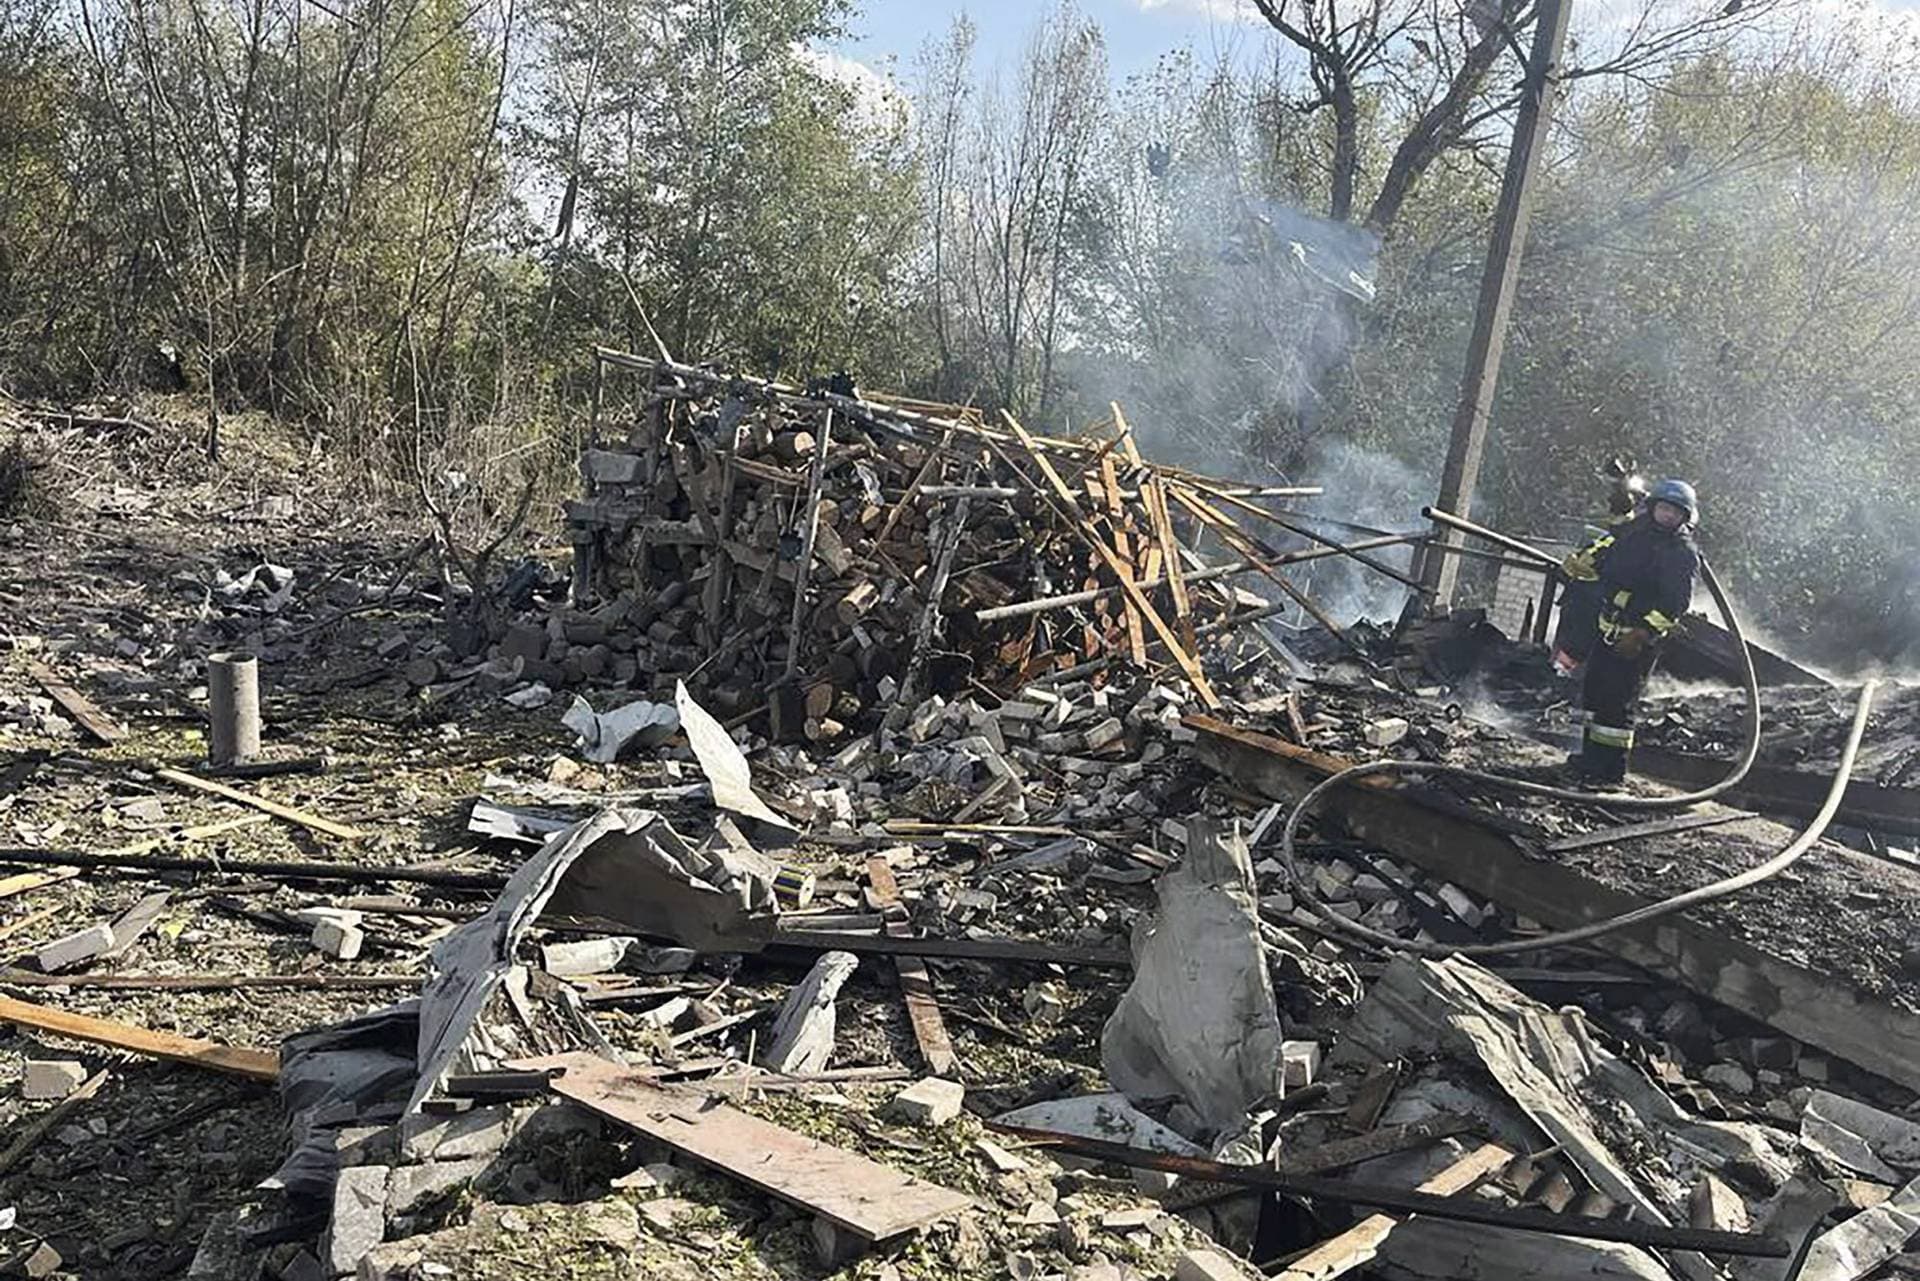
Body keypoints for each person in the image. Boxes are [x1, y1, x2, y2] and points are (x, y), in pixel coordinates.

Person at [1575, 478, 1700, 783]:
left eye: (1676, 512)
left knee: (1617, 707)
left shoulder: (1682, 552)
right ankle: (1589, 760)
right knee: (1594, 696)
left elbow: (1674, 605)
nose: (1669, 515)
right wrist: (1620, 500)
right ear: (1654, 507)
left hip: (1636, 641)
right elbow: (1616, 533)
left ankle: (1609, 773)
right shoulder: (1639, 532)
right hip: (1608, 631)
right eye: (1665, 508)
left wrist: (1642, 633)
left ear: (1686, 517)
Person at [1552, 471, 1648, 673]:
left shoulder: (1644, 541)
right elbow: (1618, 525)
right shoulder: (1616, 535)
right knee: (1567, 647)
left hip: (1597, 603)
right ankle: (1558, 674)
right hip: (1580, 597)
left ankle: (1563, 678)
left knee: (1577, 651)